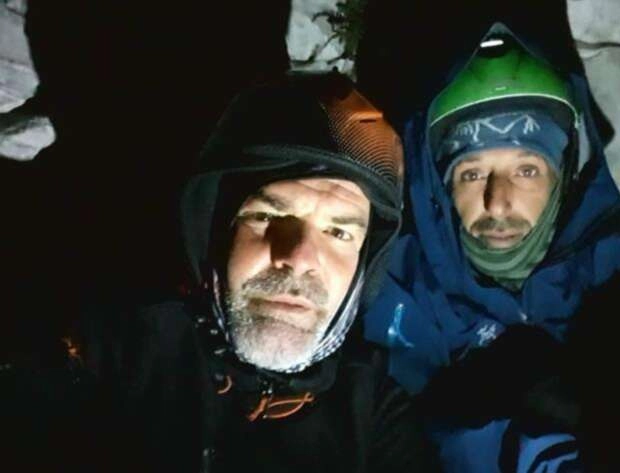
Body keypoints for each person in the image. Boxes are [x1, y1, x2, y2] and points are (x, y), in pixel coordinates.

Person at [78, 72, 440, 472]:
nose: (299, 258)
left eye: (339, 233)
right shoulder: (109, 357)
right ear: (213, 231)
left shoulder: (375, 412)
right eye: (268, 216)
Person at [362, 22, 620, 472]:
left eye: (527, 170)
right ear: (440, 185)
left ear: (565, 173)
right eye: (471, 173)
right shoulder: (398, 289)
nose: (498, 201)